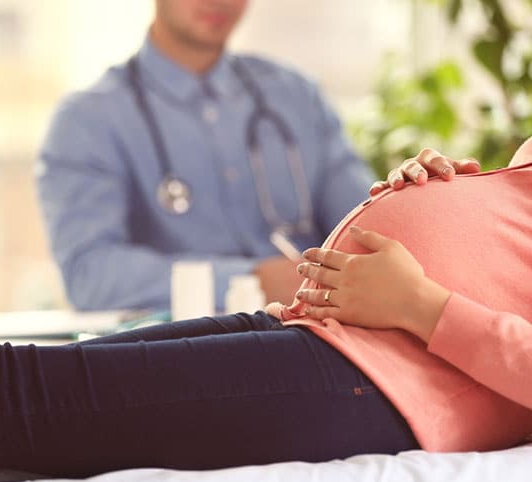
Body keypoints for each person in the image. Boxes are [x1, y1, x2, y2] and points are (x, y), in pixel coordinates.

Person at [0, 0, 532, 477]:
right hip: (326, 333)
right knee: (8, 382)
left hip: (381, 378)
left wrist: (423, 304)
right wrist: (444, 184)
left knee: (9, 399)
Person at [36, 0, 374, 312]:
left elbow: (369, 230)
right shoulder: (88, 121)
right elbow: (90, 274)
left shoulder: (298, 97)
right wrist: (252, 279)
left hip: (318, 342)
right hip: (180, 358)